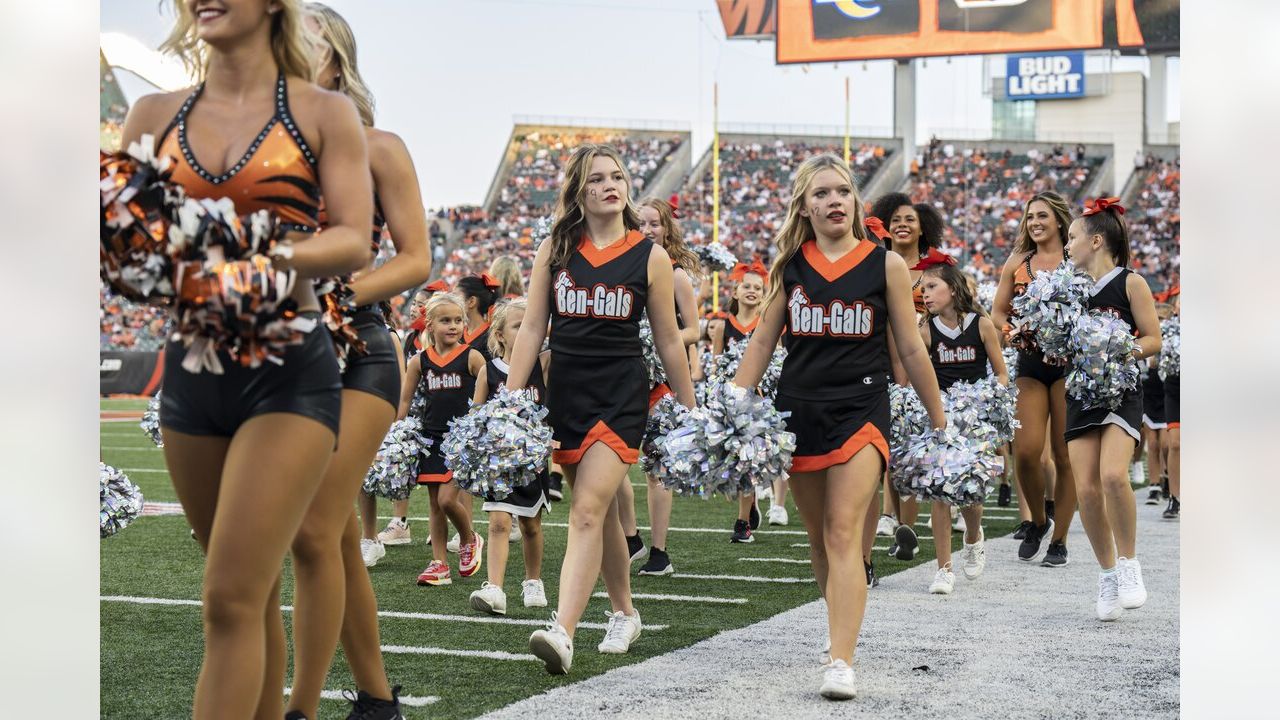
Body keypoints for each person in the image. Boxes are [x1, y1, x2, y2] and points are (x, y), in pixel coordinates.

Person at [124, 1, 373, 716]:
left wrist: (259, 254)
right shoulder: (151, 114)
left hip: (290, 373)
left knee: (228, 599)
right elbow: (127, 242)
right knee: (250, 593)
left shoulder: (324, 113)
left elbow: (354, 239)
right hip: (193, 375)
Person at [733, 154, 946, 700]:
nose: (834, 201)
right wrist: (733, 400)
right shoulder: (789, 265)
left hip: (862, 407)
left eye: (843, 192)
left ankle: (841, 660)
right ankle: (839, 634)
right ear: (804, 206)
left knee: (842, 530)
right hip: (798, 410)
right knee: (819, 539)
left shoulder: (885, 265)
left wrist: (939, 419)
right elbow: (762, 341)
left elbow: (910, 348)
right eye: (822, 193)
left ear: (855, 202)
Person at [278, 5, 431, 718]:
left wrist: (329, 293)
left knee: (313, 527)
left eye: (304, 31)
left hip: (359, 349)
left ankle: (300, 709)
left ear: (335, 61)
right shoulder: (257, 153)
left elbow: (415, 259)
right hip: (278, 351)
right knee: (334, 533)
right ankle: (376, 701)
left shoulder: (378, 145)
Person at [503, 144, 695, 674]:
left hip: (620, 393)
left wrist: (692, 410)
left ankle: (562, 630)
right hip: (565, 391)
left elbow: (669, 341)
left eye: (618, 177)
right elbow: (532, 329)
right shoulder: (556, 248)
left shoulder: (650, 256)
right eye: (597, 179)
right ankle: (625, 612)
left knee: (587, 508)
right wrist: (511, 399)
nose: (611, 185)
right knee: (603, 512)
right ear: (579, 191)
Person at [1061, 198, 1160, 621]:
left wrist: (1117, 353)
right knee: (1085, 489)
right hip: (1081, 393)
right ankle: (1106, 574)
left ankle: (1129, 563)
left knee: (1113, 475)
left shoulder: (1131, 283)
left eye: (1072, 238)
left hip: (1120, 390)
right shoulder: (1067, 288)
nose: (1067, 247)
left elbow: (1153, 339)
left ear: (1095, 241)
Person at [991, 191, 1079, 568]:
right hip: (1030, 361)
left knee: (1063, 455)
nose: (1035, 223)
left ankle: (1059, 541)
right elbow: (996, 312)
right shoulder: (1018, 261)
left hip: (1068, 365)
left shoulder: (1078, 260)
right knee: (1026, 452)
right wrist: (1010, 331)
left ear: (1059, 221)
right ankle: (1039, 521)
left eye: (1042, 216)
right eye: (1030, 218)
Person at [616, 195, 701, 577]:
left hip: (658, 382)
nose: (647, 230)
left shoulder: (676, 273)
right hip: (622, 376)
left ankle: (659, 551)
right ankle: (631, 538)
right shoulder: (625, 267)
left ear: (667, 228)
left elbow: (693, 330)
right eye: (641, 224)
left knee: (656, 469)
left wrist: (657, 338)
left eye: (655, 223)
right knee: (612, 462)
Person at [917, 262, 1008, 594]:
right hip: (940, 418)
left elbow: (1000, 373)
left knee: (970, 494)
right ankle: (944, 569)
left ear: (952, 290)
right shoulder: (925, 331)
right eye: (922, 288)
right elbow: (913, 371)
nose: (924, 294)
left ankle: (973, 536)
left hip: (974, 419)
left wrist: (982, 399)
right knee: (940, 491)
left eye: (931, 287)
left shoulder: (981, 325)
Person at [468, 299, 551, 614]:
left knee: (530, 526)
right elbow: (475, 415)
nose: (529, 330)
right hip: (499, 464)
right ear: (499, 335)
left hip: (532, 463)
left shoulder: (542, 364)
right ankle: (495, 589)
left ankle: (533, 581)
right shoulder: (489, 372)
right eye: (518, 325)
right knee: (499, 524)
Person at [399, 293, 486, 587]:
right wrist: (395, 434)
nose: (453, 326)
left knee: (449, 500)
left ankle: (469, 538)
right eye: (445, 321)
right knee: (435, 504)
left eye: (458, 320)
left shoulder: (472, 357)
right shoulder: (419, 361)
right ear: (430, 324)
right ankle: (439, 564)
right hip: (430, 437)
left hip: (460, 439)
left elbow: (488, 394)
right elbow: (405, 400)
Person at [709, 261, 784, 539]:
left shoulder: (768, 325)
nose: (752, 291)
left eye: (758, 288)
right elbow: (716, 365)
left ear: (764, 295)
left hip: (758, 401)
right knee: (732, 463)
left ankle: (742, 524)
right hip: (729, 402)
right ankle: (749, 505)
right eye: (747, 286)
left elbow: (776, 363)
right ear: (736, 291)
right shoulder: (722, 328)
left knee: (748, 461)